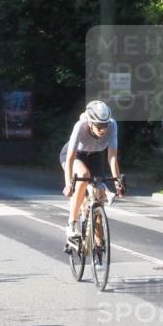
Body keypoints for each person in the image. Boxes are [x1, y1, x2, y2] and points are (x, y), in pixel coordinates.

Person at [60, 100, 123, 242]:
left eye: (105, 125)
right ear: (90, 123)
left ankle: (99, 246)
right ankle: (71, 223)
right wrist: (68, 184)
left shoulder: (112, 125)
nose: (103, 129)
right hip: (75, 155)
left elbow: (112, 157)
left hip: (95, 155)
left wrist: (118, 183)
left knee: (99, 194)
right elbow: (70, 158)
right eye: (99, 125)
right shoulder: (80, 126)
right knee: (84, 175)